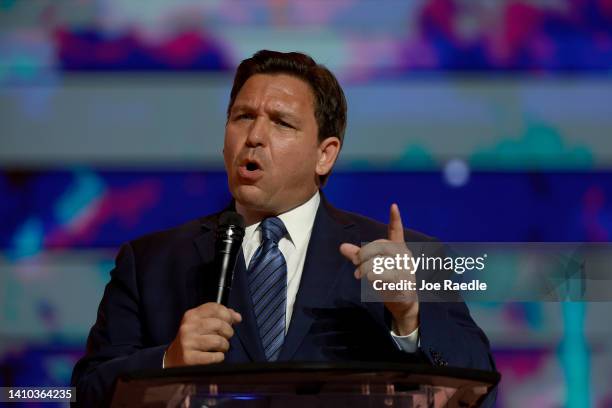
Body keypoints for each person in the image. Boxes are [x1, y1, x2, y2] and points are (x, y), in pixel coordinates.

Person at [72, 50, 496, 406]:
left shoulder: (408, 257)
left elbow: (480, 389)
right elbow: (85, 394)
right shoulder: (150, 262)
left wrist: (409, 316)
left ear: (325, 155)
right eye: (242, 117)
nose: (254, 136)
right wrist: (167, 362)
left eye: (281, 123)